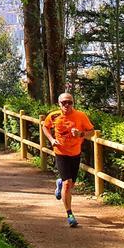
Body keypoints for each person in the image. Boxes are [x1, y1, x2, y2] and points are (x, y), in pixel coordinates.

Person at [42, 92, 95, 227]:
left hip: (75, 153)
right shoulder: (53, 116)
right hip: (60, 152)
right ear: (59, 104)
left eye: (69, 102)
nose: (67, 105)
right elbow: (45, 126)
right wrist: (52, 139)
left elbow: (92, 131)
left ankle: (59, 183)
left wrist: (81, 133)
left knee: (70, 185)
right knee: (68, 183)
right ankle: (70, 214)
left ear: (73, 103)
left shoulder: (80, 116)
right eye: (64, 102)